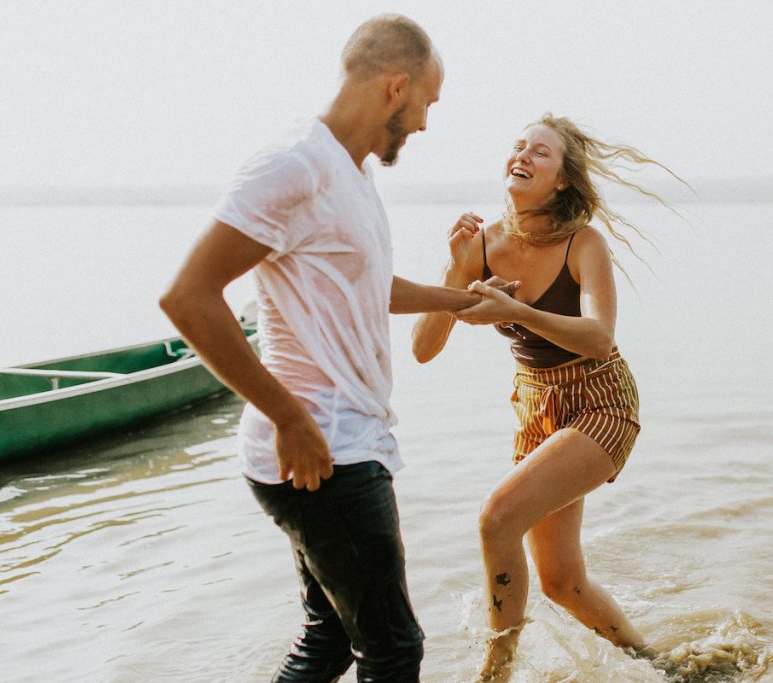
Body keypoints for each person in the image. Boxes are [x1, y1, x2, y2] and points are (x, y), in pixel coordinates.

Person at [160, 15, 514, 683]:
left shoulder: (350, 174)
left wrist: (463, 297)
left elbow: (368, 288)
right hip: (322, 450)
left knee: (328, 640)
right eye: (427, 104)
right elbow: (188, 296)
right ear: (397, 86)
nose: (426, 123)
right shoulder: (295, 166)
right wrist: (288, 415)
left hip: (339, 440)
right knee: (394, 648)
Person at [411, 114, 683, 680]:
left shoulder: (583, 244)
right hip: (536, 410)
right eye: (519, 146)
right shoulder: (480, 246)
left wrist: (515, 310)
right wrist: (458, 271)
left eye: (541, 152)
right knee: (562, 582)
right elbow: (423, 347)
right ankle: (665, 668)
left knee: (495, 520)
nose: (524, 155)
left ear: (561, 179)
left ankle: (495, 671)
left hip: (600, 401)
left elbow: (600, 336)